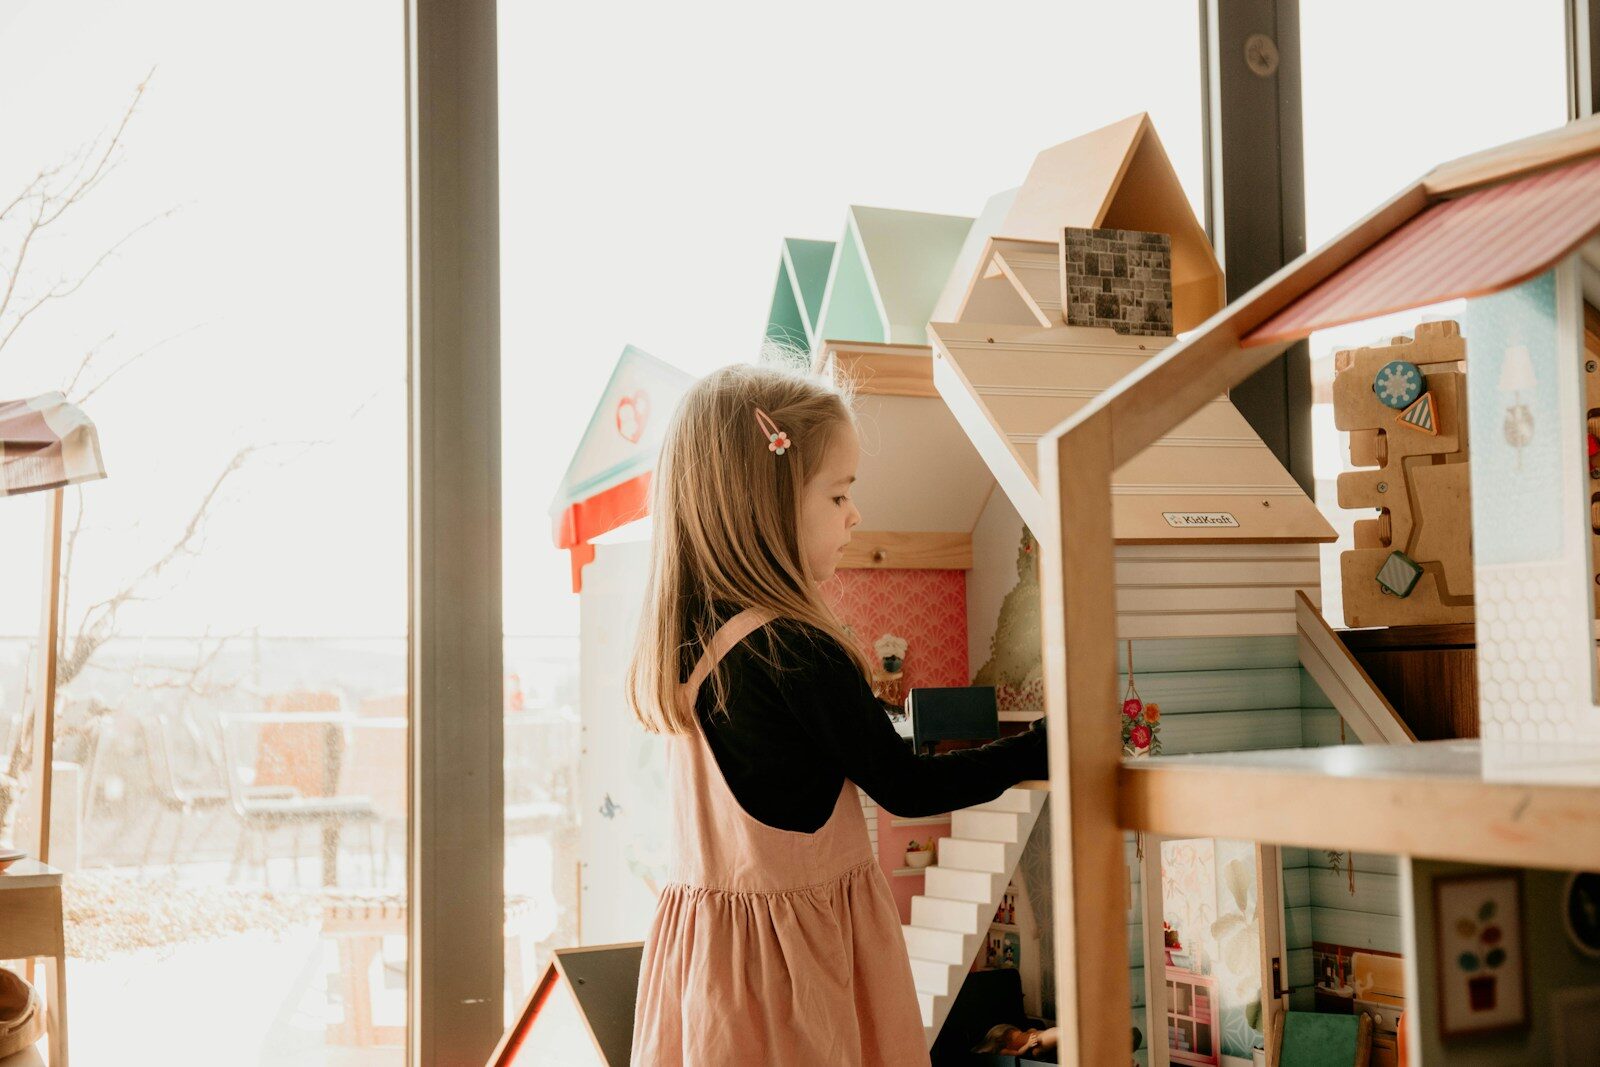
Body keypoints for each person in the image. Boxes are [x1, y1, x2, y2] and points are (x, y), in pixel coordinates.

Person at [626, 363, 1049, 1066]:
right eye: (839, 494)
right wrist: (1037, 750)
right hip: (796, 969)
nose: (855, 514)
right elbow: (908, 786)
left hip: (709, 967)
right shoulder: (798, 651)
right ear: (768, 505)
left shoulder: (690, 643)